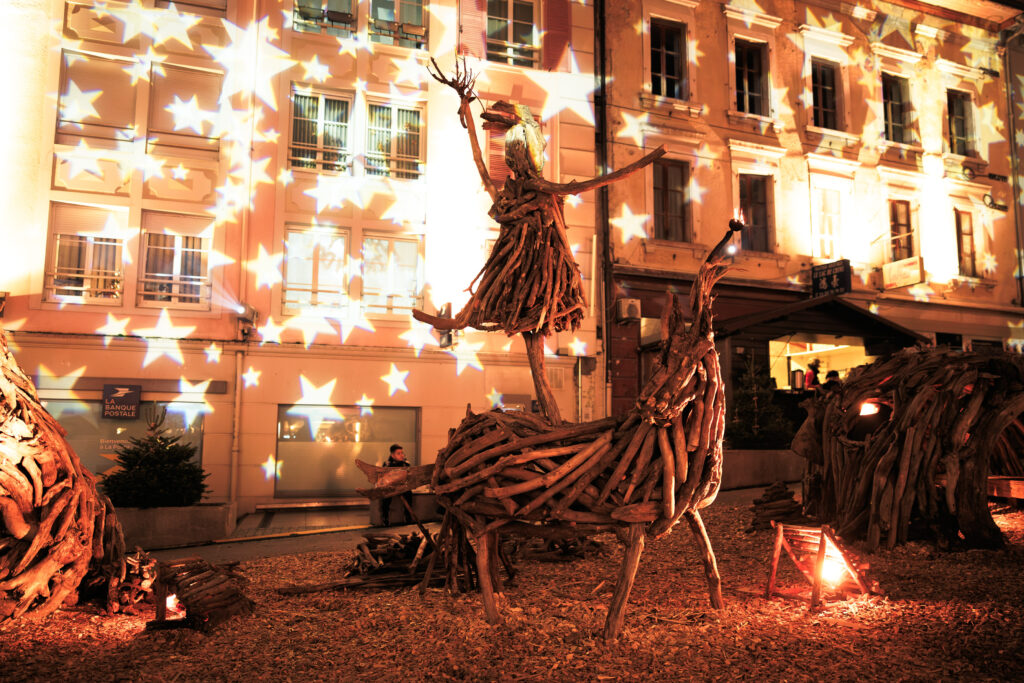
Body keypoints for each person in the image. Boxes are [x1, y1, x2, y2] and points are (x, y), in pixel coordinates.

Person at [381, 444, 413, 527]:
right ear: (392, 455)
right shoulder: (387, 464)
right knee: (386, 495)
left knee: (409, 493)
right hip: (391, 486)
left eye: (402, 453)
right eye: (398, 453)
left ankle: (408, 517)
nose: (401, 455)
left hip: (402, 486)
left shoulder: (406, 464)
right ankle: (385, 517)